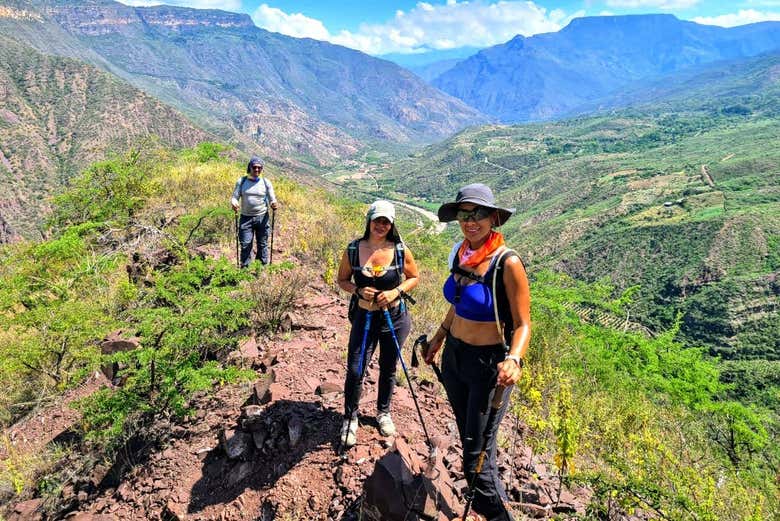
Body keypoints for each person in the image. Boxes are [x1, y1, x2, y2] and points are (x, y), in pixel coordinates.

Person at [424, 183, 531, 521]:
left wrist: (514, 359)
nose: (471, 221)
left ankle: (497, 515)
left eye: (479, 214)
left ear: (493, 218)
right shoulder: (460, 252)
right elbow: (459, 302)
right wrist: (439, 337)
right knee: (473, 439)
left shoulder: (506, 262)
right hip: (454, 358)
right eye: (464, 214)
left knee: (475, 457)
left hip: (489, 368)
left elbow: (524, 323)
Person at [336, 200, 419, 448]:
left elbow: (414, 277)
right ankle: (350, 417)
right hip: (364, 317)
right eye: (377, 220)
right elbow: (342, 280)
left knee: (388, 367)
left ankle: (383, 413)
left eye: (386, 222)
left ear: (392, 224)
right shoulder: (353, 249)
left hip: (394, 318)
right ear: (369, 221)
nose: (381, 225)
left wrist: (395, 292)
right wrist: (359, 290)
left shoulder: (400, 249)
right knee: (355, 369)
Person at [230, 156, 278, 267]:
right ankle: (245, 269)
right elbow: (235, 196)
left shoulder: (266, 182)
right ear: (249, 167)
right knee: (246, 244)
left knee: (262, 244)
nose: (257, 170)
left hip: (262, 217)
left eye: (259, 168)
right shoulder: (241, 182)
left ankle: (260, 268)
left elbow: (272, 198)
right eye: (254, 167)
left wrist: (273, 204)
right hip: (246, 218)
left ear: (262, 169)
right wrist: (234, 202)